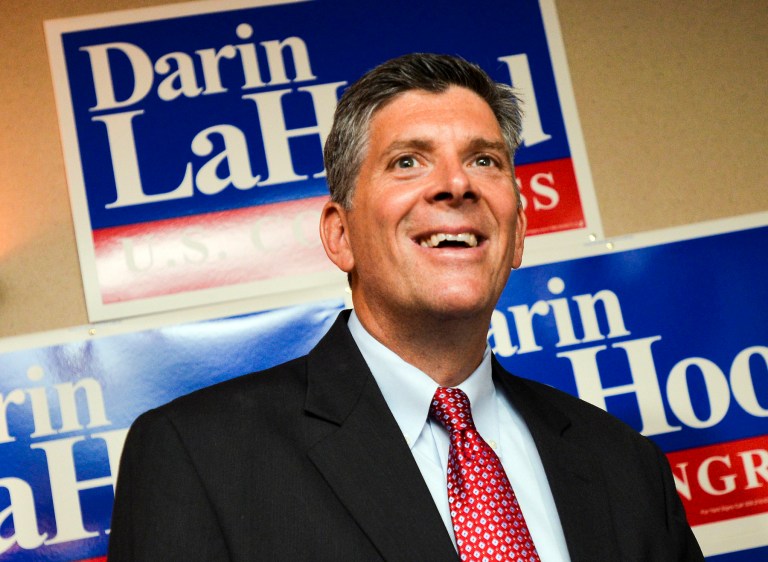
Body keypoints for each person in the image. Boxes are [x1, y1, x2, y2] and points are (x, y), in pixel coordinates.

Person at [107, 53, 703, 561]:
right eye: (408, 161)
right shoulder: (195, 455)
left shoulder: (627, 465)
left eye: (484, 160)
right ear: (340, 236)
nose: (455, 185)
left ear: (518, 234)